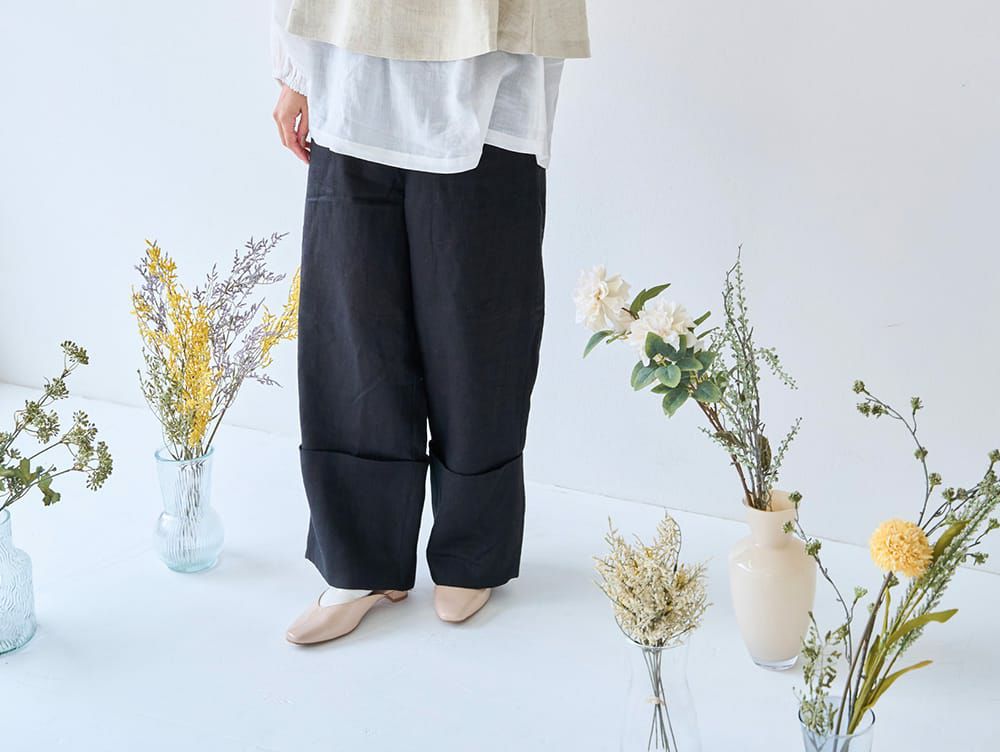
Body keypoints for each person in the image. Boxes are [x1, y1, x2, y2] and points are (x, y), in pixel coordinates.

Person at [271, 0, 590, 645]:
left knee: (478, 328)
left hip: (486, 69)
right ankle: (361, 562)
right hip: (352, 60)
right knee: (353, 324)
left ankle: (472, 550)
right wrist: (295, 67)